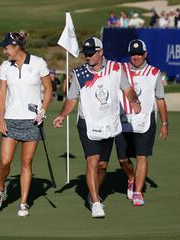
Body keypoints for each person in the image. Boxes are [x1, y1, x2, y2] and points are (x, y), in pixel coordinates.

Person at [52, 37, 141, 218]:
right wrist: (62, 115)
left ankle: (92, 194)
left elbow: (127, 88)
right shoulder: (80, 74)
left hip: (109, 122)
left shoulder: (116, 68)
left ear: (101, 52)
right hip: (87, 123)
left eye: (92, 53)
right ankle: (96, 202)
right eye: (86, 54)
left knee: (102, 165)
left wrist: (134, 101)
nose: (88, 57)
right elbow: (71, 99)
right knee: (92, 160)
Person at [0, 31, 52, 217]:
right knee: (5, 161)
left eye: (6, 48)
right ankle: (1, 189)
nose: (4, 52)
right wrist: (0, 119)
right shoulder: (5, 68)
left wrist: (43, 110)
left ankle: (23, 203)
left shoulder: (38, 63)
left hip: (32, 120)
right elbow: (1, 96)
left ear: (16, 47)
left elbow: (49, 89)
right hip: (11, 119)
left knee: (26, 162)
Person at [115, 39, 168, 206]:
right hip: (123, 120)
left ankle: (138, 192)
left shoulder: (154, 73)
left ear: (145, 54)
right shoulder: (120, 70)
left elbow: (160, 99)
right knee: (123, 159)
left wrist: (164, 123)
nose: (136, 57)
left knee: (141, 157)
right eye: (133, 54)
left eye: (139, 54)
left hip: (145, 120)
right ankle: (132, 178)